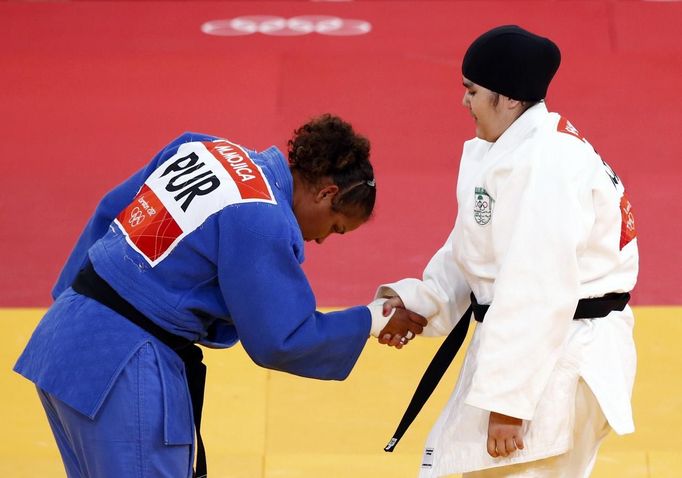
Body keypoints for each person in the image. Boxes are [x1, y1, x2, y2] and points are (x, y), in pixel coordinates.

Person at [14, 113, 426, 478]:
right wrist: (373, 318)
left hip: (63, 344)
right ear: (327, 194)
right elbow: (282, 337)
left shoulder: (202, 148)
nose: (320, 241)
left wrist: (75, 318)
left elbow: (111, 210)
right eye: (335, 227)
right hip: (123, 369)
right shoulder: (260, 216)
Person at [372, 25, 639, 477]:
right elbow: (476, 250)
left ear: (509, 98)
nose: (464, 102)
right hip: (533, 352)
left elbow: (538, 287)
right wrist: (422, 303)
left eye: (471, 91)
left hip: (559, 360)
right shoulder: (511, 149)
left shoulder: (548, 165)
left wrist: (508, 402)